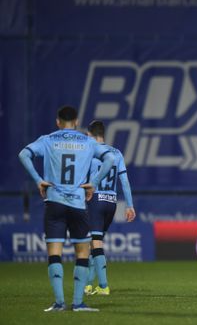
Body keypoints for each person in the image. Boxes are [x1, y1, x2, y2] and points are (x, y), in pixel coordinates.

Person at [18, 106, 116, 312]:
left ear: (57, 122)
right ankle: (78, 303)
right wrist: (94, 182)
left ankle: (59, 303)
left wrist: (38, 180)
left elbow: (23, 155)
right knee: (82, 253)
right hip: (78, 205)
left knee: (55, 253)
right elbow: (111, 158)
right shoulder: (88, 142)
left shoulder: (48, 139)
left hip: (54, 203)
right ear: (77, 122)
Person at [84, 120, 136, 296]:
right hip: (111, 202)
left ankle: (104, 285)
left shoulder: (89, 151)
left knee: (95, 242)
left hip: (96, 199)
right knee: (95, 242)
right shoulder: (117, 152)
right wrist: (129, 205)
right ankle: (89, 285)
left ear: (90, 134)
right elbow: (125, 181)